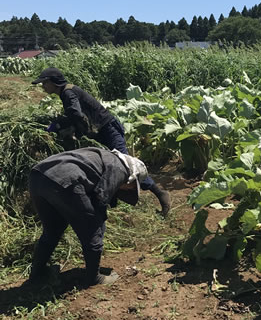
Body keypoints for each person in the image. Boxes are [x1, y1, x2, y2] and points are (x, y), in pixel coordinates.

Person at [31, 67, 171, 216]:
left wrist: (59, 125)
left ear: (54, 82)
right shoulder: (66, 92)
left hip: (108, 129)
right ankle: (111, 203)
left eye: (45, 83)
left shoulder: (68, 92)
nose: (43, 86)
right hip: (100, 131)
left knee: (125, 165)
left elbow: (75, 113)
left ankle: (160, 194)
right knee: (108, 166)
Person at [28, 147, 148, 286]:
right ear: (133, 177)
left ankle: (37, 273)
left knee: (53, 229)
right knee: (93, 229)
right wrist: (98, 224)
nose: (129, 189)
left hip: (38, 177)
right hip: (65, 179)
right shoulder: (120, 168)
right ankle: (94, 278)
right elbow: (101, 197)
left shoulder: (104, 156)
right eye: (132, 186)